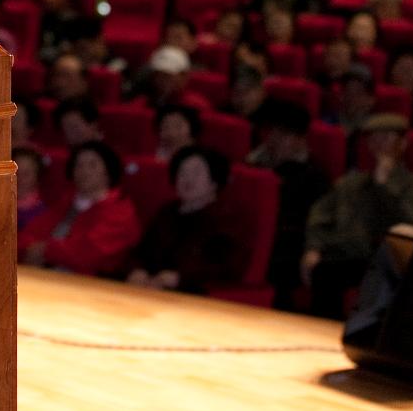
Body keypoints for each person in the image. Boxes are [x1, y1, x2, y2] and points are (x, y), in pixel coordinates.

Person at [302, 113, 413, 318]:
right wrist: (313, 247)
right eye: (374, 138)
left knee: (342, 273)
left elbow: (406, 228)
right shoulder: (351, 183)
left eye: (387, 137)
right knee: (323, 268)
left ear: (403, 143)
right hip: (342, 253)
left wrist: (382, 187)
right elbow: (320, 215)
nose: (379, 144)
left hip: (383, 259)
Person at [126, 145, 246, 293]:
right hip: (149, 288)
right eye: (182, 172)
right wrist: (137, 270)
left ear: (215, 180)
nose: (187, 178)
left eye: (196, 173)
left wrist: (180, 277)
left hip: (194, 294)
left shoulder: (226, 219)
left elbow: (228, 267)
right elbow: (141, 251)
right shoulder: (167, 212)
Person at [247, 100, 332, 308]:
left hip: (290, 246)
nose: (273, 141)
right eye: (270, 134)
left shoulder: (314, 176)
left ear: (300, 139)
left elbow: (316, 222)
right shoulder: (256, 165)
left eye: (282, 135)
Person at [18, 140, 141, 276]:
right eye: (79, 165)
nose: (84, 171)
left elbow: (89, 253)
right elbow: (30, 234)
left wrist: (45, 250)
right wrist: (30, 248)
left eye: (92, 165)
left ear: (108, 170)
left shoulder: (120, 210)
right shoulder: (67, 202)